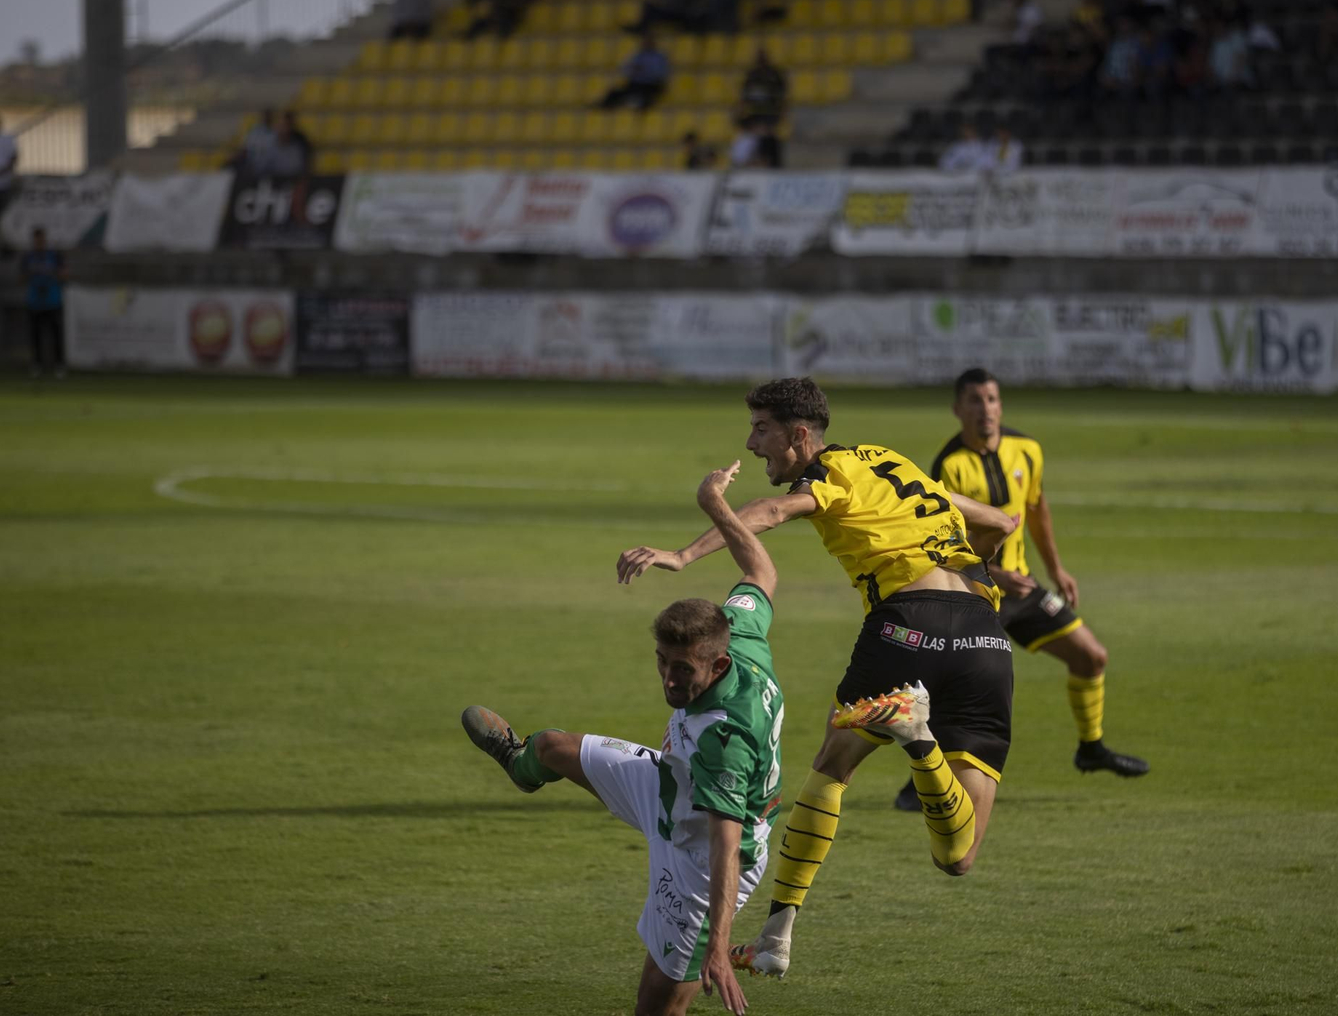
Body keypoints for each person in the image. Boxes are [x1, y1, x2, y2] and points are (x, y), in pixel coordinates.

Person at [617, 377, 1020, 980]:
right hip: (984, 635)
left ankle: (778, 931)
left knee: (833, 765)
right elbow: (1003, 522)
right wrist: (975, 563)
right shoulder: (891, 462)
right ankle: (921, 741)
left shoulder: (828, 474)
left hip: (905, 626)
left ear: (800, 436)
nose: (753, 446)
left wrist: (685, 552)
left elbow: (772, 512)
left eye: (761, 431)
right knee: (958, 854)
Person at [464, 460, 781, 1016]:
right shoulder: (743, 634)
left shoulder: (725, 739)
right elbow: (760, 569)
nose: (668, 679)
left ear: (717, 663)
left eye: (682, 670)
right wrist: (709, 516)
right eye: (662, 662)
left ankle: (707, 950)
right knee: (550, 748)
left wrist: (717, 944)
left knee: (655, 1006)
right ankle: (520, 767)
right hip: (669, 781)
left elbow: (726, 845)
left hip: (700, 854)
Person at [890, 369, 1147, 812]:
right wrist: (995, 572)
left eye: (991, 399)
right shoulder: (950, 465)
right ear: (958, 410)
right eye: (974, 400)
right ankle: (920, 781)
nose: (985, 409)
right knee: (950, 687)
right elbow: (943, 539)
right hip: (976, 594)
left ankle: (1091, 747)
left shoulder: (1027, 450)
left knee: (1092, 657)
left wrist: (1057, 568)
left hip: (1024, 589)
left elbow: (1037, 508)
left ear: (1001, 405)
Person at [19, 226, 67, 379]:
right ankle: (37, 365)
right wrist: (32, 274)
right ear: (34, 241)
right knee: (35, 336)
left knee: (56, 335)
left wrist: (53, 274)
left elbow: (64, 274)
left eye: (42, 239)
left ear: (45, 240)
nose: (39, 242)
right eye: (37, 240)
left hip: (53, 301)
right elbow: (20, 278)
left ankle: (59, 365)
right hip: (34, 302)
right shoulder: (28, 257)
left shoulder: (54, 256)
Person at [599, 36, 671, 111]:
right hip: (636, 83)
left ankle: (641, 111)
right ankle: (605, 108)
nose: (646, 45)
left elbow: (660, 74)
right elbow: (625, 69)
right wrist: (633, 70)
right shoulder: (638, 56)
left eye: (648, 43)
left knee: (646, 97)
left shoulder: (659, 57)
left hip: (651, 84)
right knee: (615, 93)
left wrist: (645, 71)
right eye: (645, 43)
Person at [738, 50, 787, 126]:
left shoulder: (773, 74)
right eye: (759, 58)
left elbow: (781, 92)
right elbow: (745, 92)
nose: (761, 61)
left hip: (770, 111)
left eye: (762, 58)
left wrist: (781, 108)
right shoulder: (752, 74)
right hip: (754, 111)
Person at [0, 114, 17, 216]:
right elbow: (14, 158)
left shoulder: (7, 139)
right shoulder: (8, 139)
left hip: (5, 183)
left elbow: (13, 158)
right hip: (5, 181)